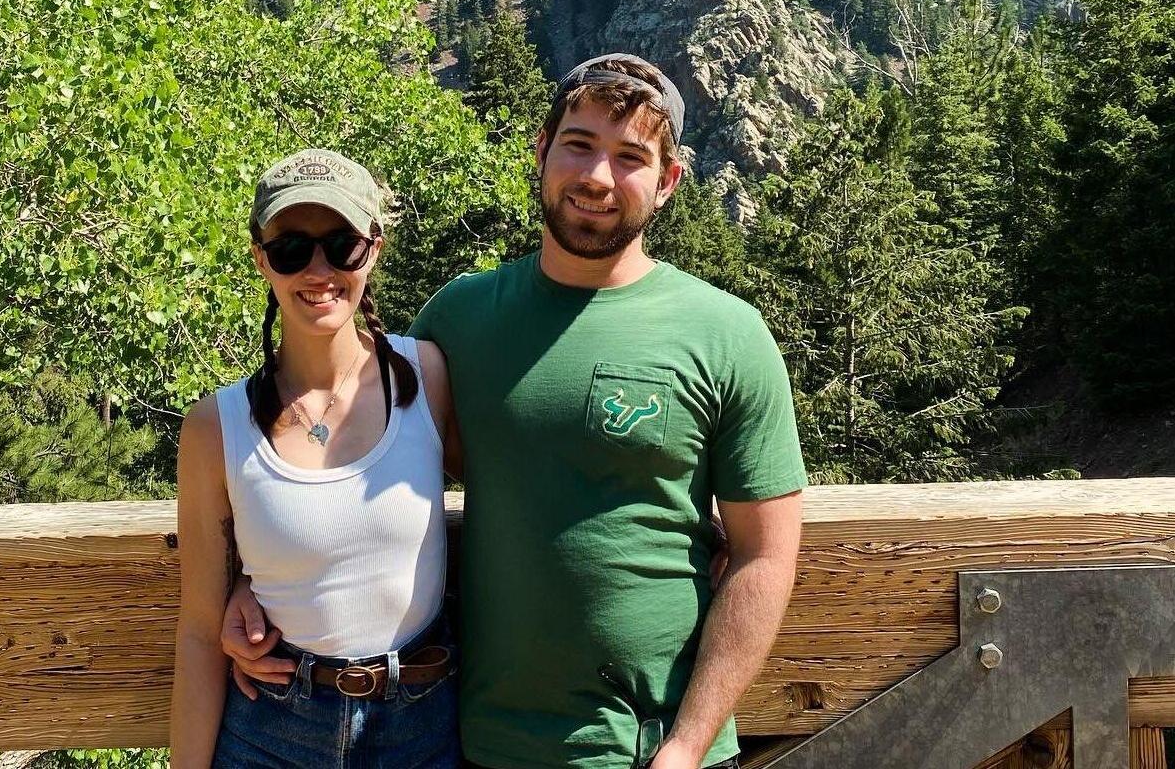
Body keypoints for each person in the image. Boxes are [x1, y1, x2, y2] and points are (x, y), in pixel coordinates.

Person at [225, 56, 805, 769]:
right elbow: (341, 464)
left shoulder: (726, 335)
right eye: (579, 143)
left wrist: (685, 746)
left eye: (629, 157)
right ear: (541, 149)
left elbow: (765, 555)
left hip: (654, 751)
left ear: (668, 182)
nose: (596, 177)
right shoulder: (458, 321)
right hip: (479, 743)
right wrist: (252, 587)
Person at [171, 148, 461, 769]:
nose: (318, 269)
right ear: (261, 260)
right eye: (291, 249)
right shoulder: (213, 430)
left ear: (373, 248)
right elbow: (199, 633)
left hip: (422, 726)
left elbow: (518, 493)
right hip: (272, 731)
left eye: (341, 245)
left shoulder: (428, 379)